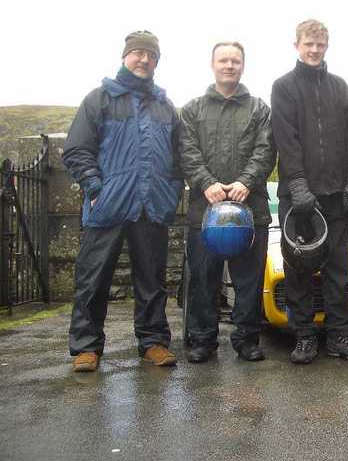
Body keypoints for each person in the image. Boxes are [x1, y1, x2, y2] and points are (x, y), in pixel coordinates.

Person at [63, 31, 183, 372]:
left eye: (151, 56)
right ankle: (87, 348)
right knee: (93, 278)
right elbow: (77, 149)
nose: (144, 60)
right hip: (109, 204)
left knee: (152, 279)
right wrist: (95, 187)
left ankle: (153, 342)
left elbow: (178, 157)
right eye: (138, 53)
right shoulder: (100, 98)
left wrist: (171, 190)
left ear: (157, 62)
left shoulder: (165, 106)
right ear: (125, 57)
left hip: (152, 205)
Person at [271, 19, 348, 364]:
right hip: (297, 198)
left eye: (320, 45)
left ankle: (340, 334)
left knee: (339, 268)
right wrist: (298, 184)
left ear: (326, 46)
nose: (314, 50)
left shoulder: (339, 87)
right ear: (296, 45)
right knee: (298, 267)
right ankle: (304, 336)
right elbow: (286, 139)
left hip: (336, 196)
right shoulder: (283, 87)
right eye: (308, 44)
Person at [179, 42, 275, 363]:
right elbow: (187, 150)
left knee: (248, 280)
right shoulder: (193, 109)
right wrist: (206, 183)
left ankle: (246, 339)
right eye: (224, 60)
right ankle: (203, 339)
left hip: (251, 211)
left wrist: (246, 182)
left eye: (235, 61)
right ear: (212, 64)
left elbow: (266, 150)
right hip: (204, 212)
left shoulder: (260, 109)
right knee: (203, 279)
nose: (229, 65)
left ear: (243, 66)